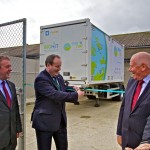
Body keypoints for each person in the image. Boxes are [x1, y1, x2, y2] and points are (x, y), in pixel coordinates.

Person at [31, 54, 84, 150]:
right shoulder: (41, 79)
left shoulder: (59, 77)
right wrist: (76, 95)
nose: (59, 69)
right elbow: (55, 94)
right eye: (57, 66)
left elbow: (62, 88)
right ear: (48, 65)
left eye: (60, 66)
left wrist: (73, 88)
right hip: (44, 122)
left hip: (60, 121)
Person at [116, 52, 150, 150]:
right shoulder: (132, 81)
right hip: (126, 141)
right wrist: (119, 132)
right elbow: (123, 108)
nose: (129, 69)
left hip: (144, 144)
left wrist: (147, 141)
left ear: (143, 66)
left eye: (132, 66)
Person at [0, 56, 22, 150]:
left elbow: (15, 109)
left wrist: (18, 128)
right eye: (7, 67)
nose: (11, 69)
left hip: (11, 139)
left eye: (10, 66)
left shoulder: (11, 86)